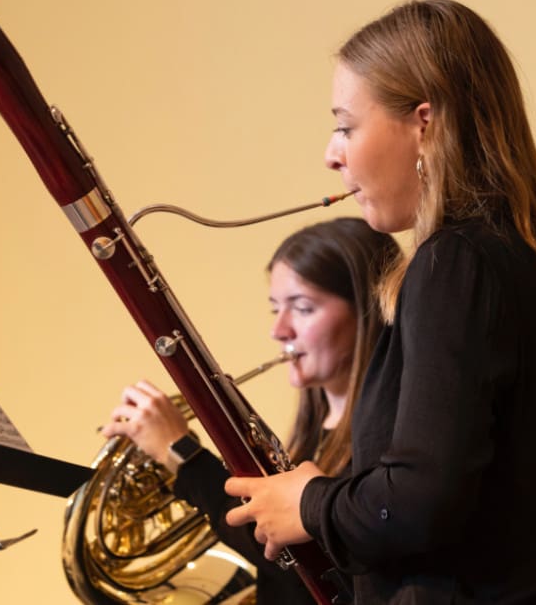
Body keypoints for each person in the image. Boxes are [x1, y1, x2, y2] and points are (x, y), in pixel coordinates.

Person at [223, 0, 536, 604]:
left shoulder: (453, 264)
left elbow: (416, 506)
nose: (332, 154)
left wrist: (311, 502)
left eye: (345, 126)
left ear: (424, 123)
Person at [102, 217, 400, 603]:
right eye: (275, 308)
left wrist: (183, 456)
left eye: (303, 308)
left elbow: (307, 569)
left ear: (368, 309)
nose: (279, 330)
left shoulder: (388, 438)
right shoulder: (307, 436)